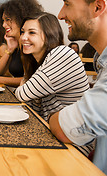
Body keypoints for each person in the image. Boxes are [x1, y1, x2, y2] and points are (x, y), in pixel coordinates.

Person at [49, 0, 107, 174]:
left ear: (98, 7)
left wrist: (56, 117)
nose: (61, 14)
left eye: (67, 4)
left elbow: (64, 129)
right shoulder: (101, 62)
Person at [14, 12, 93, 157]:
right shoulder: (39, 62)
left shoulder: (63, 53)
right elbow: (31, 108)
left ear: (49, 35)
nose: (23, 37)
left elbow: (22, 94)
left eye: (32, 32)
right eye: (23, 32)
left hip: (73, 143)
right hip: (53, 134)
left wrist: (23, 84)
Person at [0, 0, 44, 87]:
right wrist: (10, 50)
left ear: (21, 18)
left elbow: (30, 80)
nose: (3, 25)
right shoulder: (16, 45)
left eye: (7, 20)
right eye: (3, 20)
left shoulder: (31, 44)